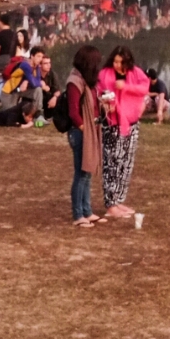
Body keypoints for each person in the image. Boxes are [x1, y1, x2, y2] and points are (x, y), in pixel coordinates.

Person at [96, 44, 150, 220]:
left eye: (121, 62)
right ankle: (110, 203)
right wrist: (108, 104)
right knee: (112, 163)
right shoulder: (105, 74)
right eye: (115, 61)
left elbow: (144, 88)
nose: (117, 65)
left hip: (131, 123)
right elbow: (101, 93)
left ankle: (119, 199)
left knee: (126, 163)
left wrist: (126, 86)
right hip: (114, 124)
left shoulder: (135, 73)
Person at [62, 45, 106, 227]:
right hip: (80, 133)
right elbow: (73, 112)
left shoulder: (87, 80)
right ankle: (78, 214)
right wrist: (84, 129)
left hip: (91, 129)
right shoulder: (75, 82)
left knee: (87, 173)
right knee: (81, 174)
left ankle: (87, 210)